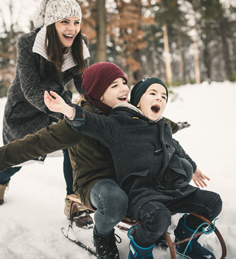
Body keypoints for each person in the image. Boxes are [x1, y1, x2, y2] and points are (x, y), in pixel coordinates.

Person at [0, 63, 207, 259]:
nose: (124, 88)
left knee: (170, 174)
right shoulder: (79, 121)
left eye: (124, 82)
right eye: (115, 85)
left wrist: (175, 126)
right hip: (96, 181)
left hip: (129, 175)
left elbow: (154, 123)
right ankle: (102, 234)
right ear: (99, 92)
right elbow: (37, 142)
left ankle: (150, 229)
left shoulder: (125, 109)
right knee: (115, 199)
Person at [43, 68, 222, 259]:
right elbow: (91, 122)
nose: (159, 99)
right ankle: (139, 248)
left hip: (167, 188)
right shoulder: (119, 125)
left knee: (213, 202)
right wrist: (66, 109)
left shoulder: (162, 126)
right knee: (159, 217)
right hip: (141, 193)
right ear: (136, 101)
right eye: (152, 94)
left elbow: (176, 147)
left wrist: (193, 168)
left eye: (163, 96)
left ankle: (186, 240)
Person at [0, 0, 92, 227]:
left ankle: (74, 203)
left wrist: (96, 100)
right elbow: (30, 88)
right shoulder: (28, 43)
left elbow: (82, 81)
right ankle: (1, 179)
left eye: (76, 22)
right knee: (18, 158)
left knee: (72, 144)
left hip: (58, 102)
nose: (72, 28)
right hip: (26, 108)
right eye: (65, 21)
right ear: (51, 23)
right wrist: (63, 110)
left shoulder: (80, 42)